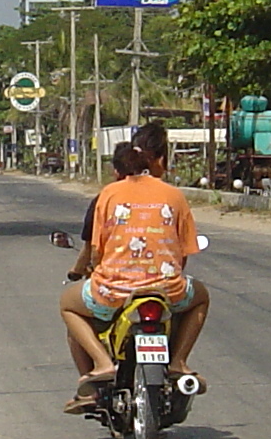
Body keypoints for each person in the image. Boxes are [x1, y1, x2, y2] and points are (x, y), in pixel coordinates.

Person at [58, 121, 211, 412]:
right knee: (201, 296)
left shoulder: (108, 195)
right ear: (160, 160)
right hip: (167, 290)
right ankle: (178, 361)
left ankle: (102, 364)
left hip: (114, 292)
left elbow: (96, 250)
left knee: (67, 304)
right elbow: (184, 253)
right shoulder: (175, 195)